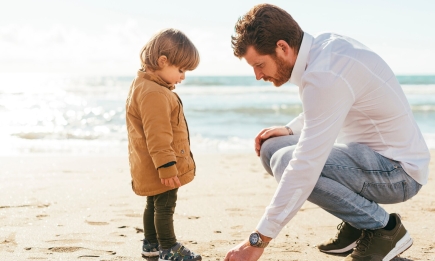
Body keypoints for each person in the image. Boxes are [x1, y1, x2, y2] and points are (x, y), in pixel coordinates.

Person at [224, 4, 430, 261]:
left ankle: (384, 229)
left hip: (398, 173)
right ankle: (357, 224)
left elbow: (305, 165)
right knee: (272, 147)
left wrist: (258, 240)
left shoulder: (325, 73)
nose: (257, 75)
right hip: (372, 158)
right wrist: (289, 129)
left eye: (259, 64)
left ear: (282, 48)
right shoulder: (323, 49)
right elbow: (331, 102)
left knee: (288, 160)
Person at [125, 28, 202, 261]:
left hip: (148, 163)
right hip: (162, 164)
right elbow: (158, 134)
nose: (183, 76)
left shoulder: (143, 85)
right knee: (165, 204)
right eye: (180, 70)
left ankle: (151, 243)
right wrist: (167, 166)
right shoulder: (154, 93)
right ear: (162, 61)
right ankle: (168, 247)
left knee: (153, 203)